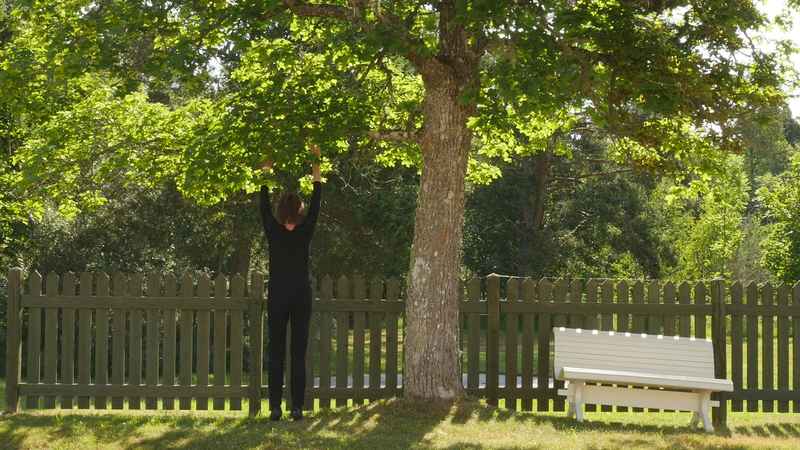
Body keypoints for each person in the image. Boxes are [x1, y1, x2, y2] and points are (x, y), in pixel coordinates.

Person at [260, 144, 322, 421]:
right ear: (300, 210)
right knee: (298, 352)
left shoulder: (272, 230)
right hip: (300, 294)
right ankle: (297, 407)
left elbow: (262, 204)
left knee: (276, 351)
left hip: (277, 294)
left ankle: (275, 407)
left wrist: (266, 169)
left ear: (280, 210)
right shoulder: (305, 230)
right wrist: (315, 164)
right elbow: (317, 199)